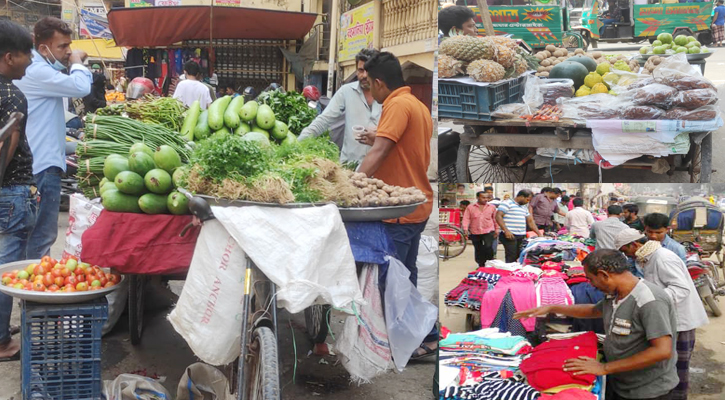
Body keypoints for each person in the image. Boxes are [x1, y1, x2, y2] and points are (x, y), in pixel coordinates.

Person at [514, 250, 679, 400]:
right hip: (623, 382)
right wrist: (552, 307)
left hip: (649, 390)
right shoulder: (615, 294)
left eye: (591, 279)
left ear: (604, 275)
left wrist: (604, 368)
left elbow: (661, 351)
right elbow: (593, 310)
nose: (591, 285)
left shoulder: (650, 301)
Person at [356, 52, 436, 359]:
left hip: (400, 215)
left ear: (379, 83)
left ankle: (424, 336)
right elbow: (399, 146)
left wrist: (351, 184)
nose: (369, 92)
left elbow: (380, 153)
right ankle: (414, 337)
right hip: (415, 206)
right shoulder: (416, 104)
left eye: (369, 85)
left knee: (394, 282)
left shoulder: (397, 105)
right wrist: (377, 139)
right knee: (405, 277)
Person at [14, 17, 91, 259]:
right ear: (43, 47)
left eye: (70, 46)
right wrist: (77, 61)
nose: (68, 52)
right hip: (42, 165)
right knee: (40, 237)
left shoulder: (42, 69)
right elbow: (81, 87)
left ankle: (29, 289)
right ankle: (33, 292)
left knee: (34, 236)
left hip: (42, 162)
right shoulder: (36, 71)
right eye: (62, 46)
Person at [615, 229, 708, 400]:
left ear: (634, 245)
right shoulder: (648, 258)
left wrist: (651, 302)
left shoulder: (662, 257)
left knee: (677, 366)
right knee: (668, 365)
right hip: (669, 317)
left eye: (625, 250)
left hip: (681, 320)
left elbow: (680, 289)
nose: (626, 255)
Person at [0, 19, 36, 363]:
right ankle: (1, 343)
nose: (30, 60)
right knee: (7, 271)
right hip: (11, 190)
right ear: (10, 57)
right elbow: (7, 148)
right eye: (27, 54)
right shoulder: (12, 94)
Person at [299, 49, 382, 164]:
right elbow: (324, 120)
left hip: (380, 169)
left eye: (368, 71)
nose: (364, 75)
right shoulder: (346, 92)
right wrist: (299, 142)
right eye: (360, 70)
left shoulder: (388, 96)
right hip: (350, 168)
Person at [496, 189, 540, 263]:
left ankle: (516, 272)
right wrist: (506, 230)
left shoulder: (524, 207)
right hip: (509, 234)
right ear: (521, 196)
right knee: (511, 256)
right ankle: (509, 271)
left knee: (519, 255)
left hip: (521, 235)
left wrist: (539, 233)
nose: (527, 202)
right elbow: (498, 216)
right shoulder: (507, 203)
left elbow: (530, 221)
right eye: (527, 199)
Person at [462, 191, 498, 267]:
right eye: (483, 197)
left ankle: (489, 264)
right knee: (478, 248)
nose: (485, 199)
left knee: (488, 247)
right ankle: (480, 264)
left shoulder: (492, 207)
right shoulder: (470, 207)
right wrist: (465, 229)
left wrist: (497, 229)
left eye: (487, 197)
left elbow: (495, 219)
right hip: (475, 231)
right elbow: (466, 218)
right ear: (477, 197)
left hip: (488, 230)